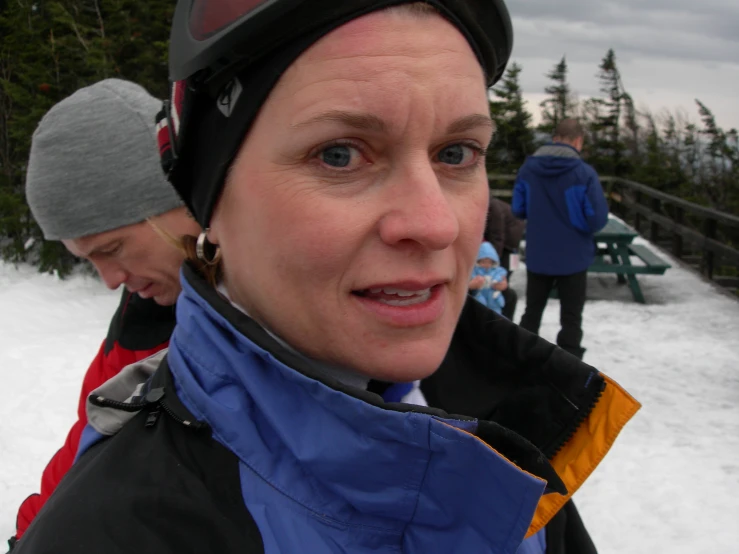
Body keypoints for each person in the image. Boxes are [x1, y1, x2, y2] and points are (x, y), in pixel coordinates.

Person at [14, 3, 639, 554]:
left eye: (457, 154)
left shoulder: (505, 442)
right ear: (209, 204)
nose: (437, 224)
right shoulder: (124, 528)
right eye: (338, 154)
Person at [9, 79, 200, 550]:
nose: (110, 280)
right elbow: (89, 444)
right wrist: (29, 538)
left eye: (112, 248)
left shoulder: (287, 310)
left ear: (177, 199)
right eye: (87, 259)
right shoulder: (144, 321)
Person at [512, 119, 609, 360]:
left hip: (539, 252)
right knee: (572, 316)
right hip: (574, 254)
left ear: (554, 138)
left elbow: (518, 208)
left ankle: (520, 357)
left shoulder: (528, 170)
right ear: (578, 141)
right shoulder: (584, 173)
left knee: (532, 310)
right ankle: (570, 362)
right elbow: (597, 218)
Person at [485, 195, 525, 319]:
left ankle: (504, 316)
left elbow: (497, 236)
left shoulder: (493, 207)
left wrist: (492, 261)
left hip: (509, 250)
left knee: (499, 282)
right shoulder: (493, 205)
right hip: (512, 249)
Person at [469, 241, 508, 314]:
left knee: (497, 307)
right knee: (480, 306)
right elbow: (471, 276)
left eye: (489, 262)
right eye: (483, 262)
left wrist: (497, 280)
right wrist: (474, 282)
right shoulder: (475, 270)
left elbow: (501, 273)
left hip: (492, 293)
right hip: (479, 293)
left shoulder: (496, 270)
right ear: (478, 261)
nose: (486, 265)